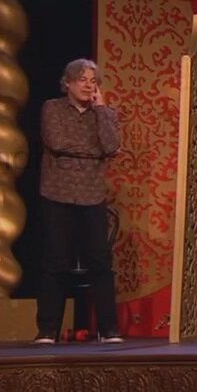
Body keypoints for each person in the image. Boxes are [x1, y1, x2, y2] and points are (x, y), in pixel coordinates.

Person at [34, 59, 123, 344]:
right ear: (68, 83)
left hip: (91, 194)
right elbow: (57, 142)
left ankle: (109, 330)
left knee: (100, 262)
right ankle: (48, 330)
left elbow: (111, 146)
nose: (88, 85)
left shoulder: (104, 114)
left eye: (93, 81)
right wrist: (94, 151)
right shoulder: (52, 108)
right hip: (57, 193)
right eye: (82, 79)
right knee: (55, 262)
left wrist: (102, 111)